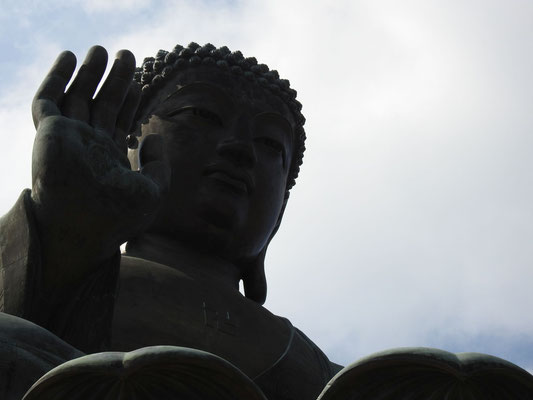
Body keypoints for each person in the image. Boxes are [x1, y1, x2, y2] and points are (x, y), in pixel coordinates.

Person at [0, 43, 341, 400]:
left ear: (280, 212)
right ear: (126, 147)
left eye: (271, 145)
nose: (240, 148)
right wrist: (63, 233)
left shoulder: (316, 367)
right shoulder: (75, 276)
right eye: (201, 114)